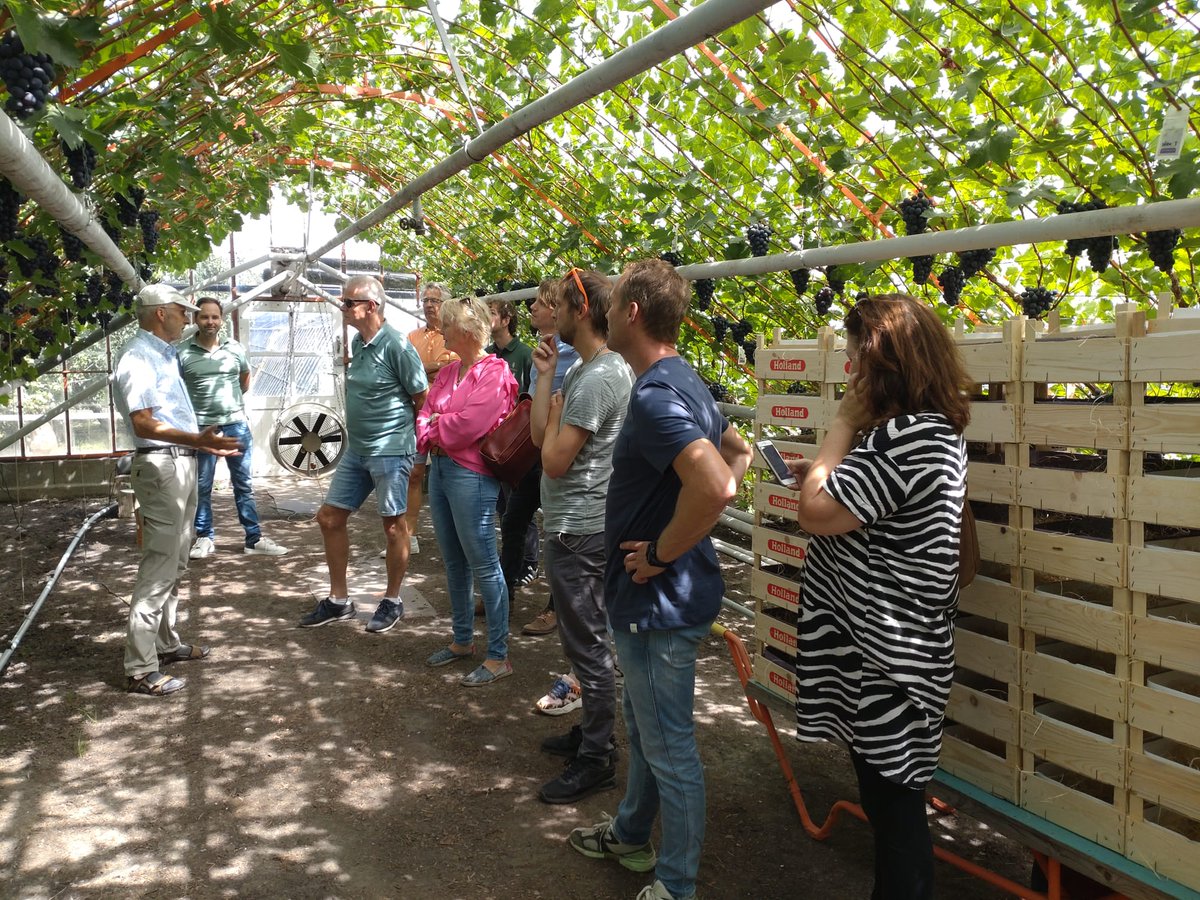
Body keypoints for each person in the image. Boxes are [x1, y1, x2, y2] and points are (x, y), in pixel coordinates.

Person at [568, 259, 751, 900]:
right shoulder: (685, 380)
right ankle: (629, 835)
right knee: (646, 728)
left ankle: (677, 885)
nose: (604, 312)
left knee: (669, 744)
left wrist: (663, 552)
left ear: (633, 314)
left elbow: (719, 482)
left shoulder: (651, 397)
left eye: (612, 303)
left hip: (659, 599)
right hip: (665, 596)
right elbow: (739, 450)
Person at [788, 294, 970, 900]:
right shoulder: (924, 432)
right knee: (889, 801)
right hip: (891, 654)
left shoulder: (906, 436)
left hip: (891, 662)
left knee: (894, 813)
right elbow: (856, 506)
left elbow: (816, 514)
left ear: (885, 365)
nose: (850, 373)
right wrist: (826, 469)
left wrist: (839, 428)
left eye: (855, 359)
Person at [532, 268, 632, 804]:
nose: (552, 313)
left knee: (590, 647)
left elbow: (551, 460)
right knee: (583, 642)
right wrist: (547, 378)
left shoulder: (596, 378)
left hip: (581, 530)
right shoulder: (586, 369)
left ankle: (597, 757)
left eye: (560, 306)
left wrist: (552, 417)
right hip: (575, 525)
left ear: (581, 310)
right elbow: (537, 439)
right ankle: (590, 736)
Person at [113, 283, 242, 696]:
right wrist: (198, 441)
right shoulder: (138, 358)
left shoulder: (164, 355)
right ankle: (139, 669)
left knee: (177, 561)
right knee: (159, 566)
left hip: (178, 463)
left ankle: (166, 644)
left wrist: (196, 443)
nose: (190, 318)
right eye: (183, 311)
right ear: (160, 313)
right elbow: (144, 423)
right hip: (162, 464)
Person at [298, 275, 428, 634]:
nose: (344, 307)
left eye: (349, 302)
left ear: (371, 306)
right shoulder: (360, 341)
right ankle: (339, 601)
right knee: (329, 518)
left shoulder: (398, 347)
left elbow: (422, 400)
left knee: (392, 527)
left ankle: (393, 600)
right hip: (358, 449)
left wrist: (416, 450)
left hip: (390, 450)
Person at [417, 296, 518, 686]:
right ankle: (462, 640)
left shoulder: (494, 372)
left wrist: (438, 426)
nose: (441, 330)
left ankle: (498, 654)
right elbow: (425, 414)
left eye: (447, 324)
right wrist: (439, 425)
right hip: (443, 471)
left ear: (466, 330)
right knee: (454, 561)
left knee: (484, 564)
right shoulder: (450, 372)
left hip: (471, 475)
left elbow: (470, 425)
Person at [179, 297, 287, 559]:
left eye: (215, 317)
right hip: (203, 429)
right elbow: (177, 390)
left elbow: (244, 380)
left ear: (221, 320)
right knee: (203, 485)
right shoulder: (182, 353)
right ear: (196, 320)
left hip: (236, 425)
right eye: (204, 317)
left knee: (244, 485)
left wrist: (229, 405)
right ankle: (204, 538)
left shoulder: (234, 348)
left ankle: (254, 539)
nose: (210, 322)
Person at [502, 280, 579, 637]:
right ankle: (505, 592)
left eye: (539, 303)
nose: (531, 308)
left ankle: (555, 608)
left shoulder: (576, 354)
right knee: (515, 518)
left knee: (558, 529)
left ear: (556, 310)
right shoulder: (544, 349)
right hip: (536, 448)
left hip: (560, 448)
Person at [401, 280, 457, 557]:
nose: (429, 306)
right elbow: (408, 371)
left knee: (450, 473)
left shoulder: (455, 334)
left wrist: (424, 369)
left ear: (446, 304)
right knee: (414, 474)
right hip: (418, 415)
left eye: (434, 301)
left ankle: (454, 531)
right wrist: (436, 367)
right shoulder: (413, 337)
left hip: (448, 419)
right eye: (426, 301)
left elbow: (458, 368)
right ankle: (408, 535)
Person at [487, 298, 533, 393]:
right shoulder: (486, 353)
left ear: (505, 321)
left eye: (492, 313)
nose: (485, 317)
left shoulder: (527, 354)